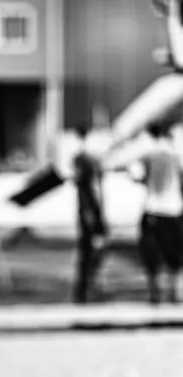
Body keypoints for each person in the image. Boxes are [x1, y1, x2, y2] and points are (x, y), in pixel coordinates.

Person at [131, 124, 183, 303]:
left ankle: (156, 292)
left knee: (152, 252)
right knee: (175, 252)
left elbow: (136, 175)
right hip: (174, 209)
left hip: (153, 208)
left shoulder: (148, 155)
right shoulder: (177, 156)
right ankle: (175, 291)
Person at [73, 125, 109, 303]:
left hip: (84, 213)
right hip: (91, 215)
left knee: (87, 252)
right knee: (95, 251)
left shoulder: (79, 159)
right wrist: (99, 215)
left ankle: (84, 290)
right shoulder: (90, 160)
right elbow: (95, 188)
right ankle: (90, 290)